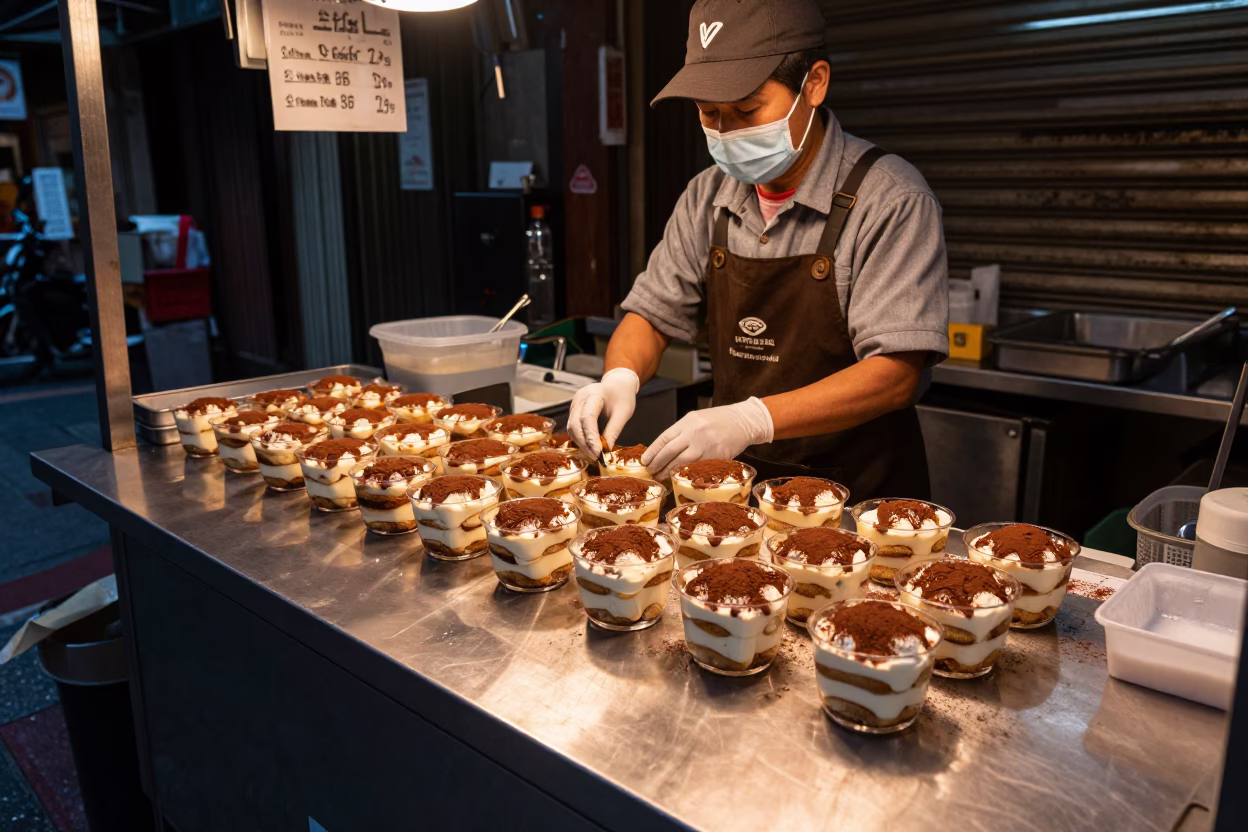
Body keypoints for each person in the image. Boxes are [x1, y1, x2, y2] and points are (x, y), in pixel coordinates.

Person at [567, 0, 949, 500]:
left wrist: (750, 419)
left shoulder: (891, 199)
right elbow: (652, 315)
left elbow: (895, 374)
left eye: (747, 110)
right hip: (732, 495)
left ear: (814, 84)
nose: (727, 131)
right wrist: (619, 377)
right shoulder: (707, 195)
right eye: (709, 113)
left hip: (860, 503)